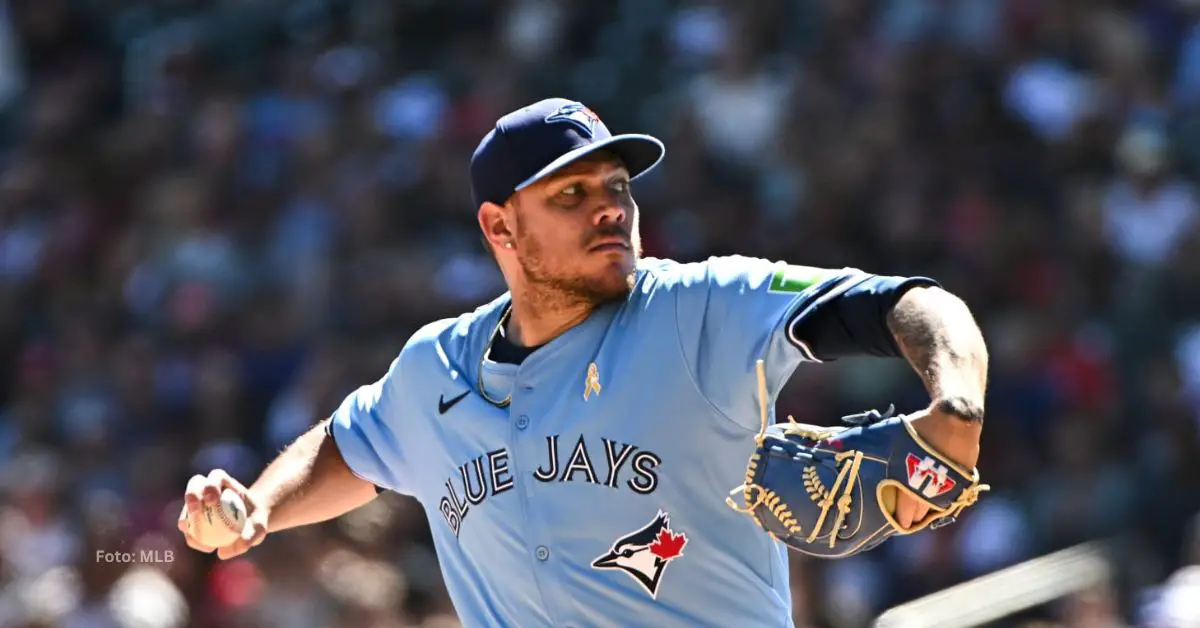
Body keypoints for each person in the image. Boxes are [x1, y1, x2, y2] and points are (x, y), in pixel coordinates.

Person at [178, 97, 989, 627]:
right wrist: (257, 507)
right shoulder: (435, 371)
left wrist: (955, 406)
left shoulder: (699, 307)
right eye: (569, 195)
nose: (610, 206)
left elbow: (906, 305)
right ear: (499, 228)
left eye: (617, 185)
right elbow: (350, 445)